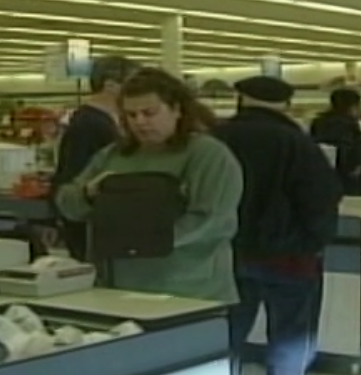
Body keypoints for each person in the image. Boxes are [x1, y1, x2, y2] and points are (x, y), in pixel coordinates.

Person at [212, 76, 342, 375]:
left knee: (229, 339)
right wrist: (313, 242)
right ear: (285, 103)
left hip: (230, 255)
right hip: (290, 259)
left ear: (241, 99)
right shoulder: (298, 143)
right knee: (290, 337)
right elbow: (322, 197)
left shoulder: (216, 140)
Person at [54, 68, 242, 303]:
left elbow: (211, 218)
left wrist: (139, 242)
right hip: (116, 288)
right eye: (131, 115)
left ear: (176, 110)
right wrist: (88, 194)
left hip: (190, 290)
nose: (140, 122)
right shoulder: (113, 155)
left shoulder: (208, 155)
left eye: (149, 113)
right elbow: (67, 202)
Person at [53, 56, 141, 261]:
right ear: (110, 86)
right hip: (89, 226)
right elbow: (75, 177)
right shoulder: (91, 125)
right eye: (133, 85)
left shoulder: (97, 122)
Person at [310, 88, 361, 195]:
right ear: (353, 107)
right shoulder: (351, 129)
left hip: (322, 188)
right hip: (351, 188)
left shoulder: (317, 127)